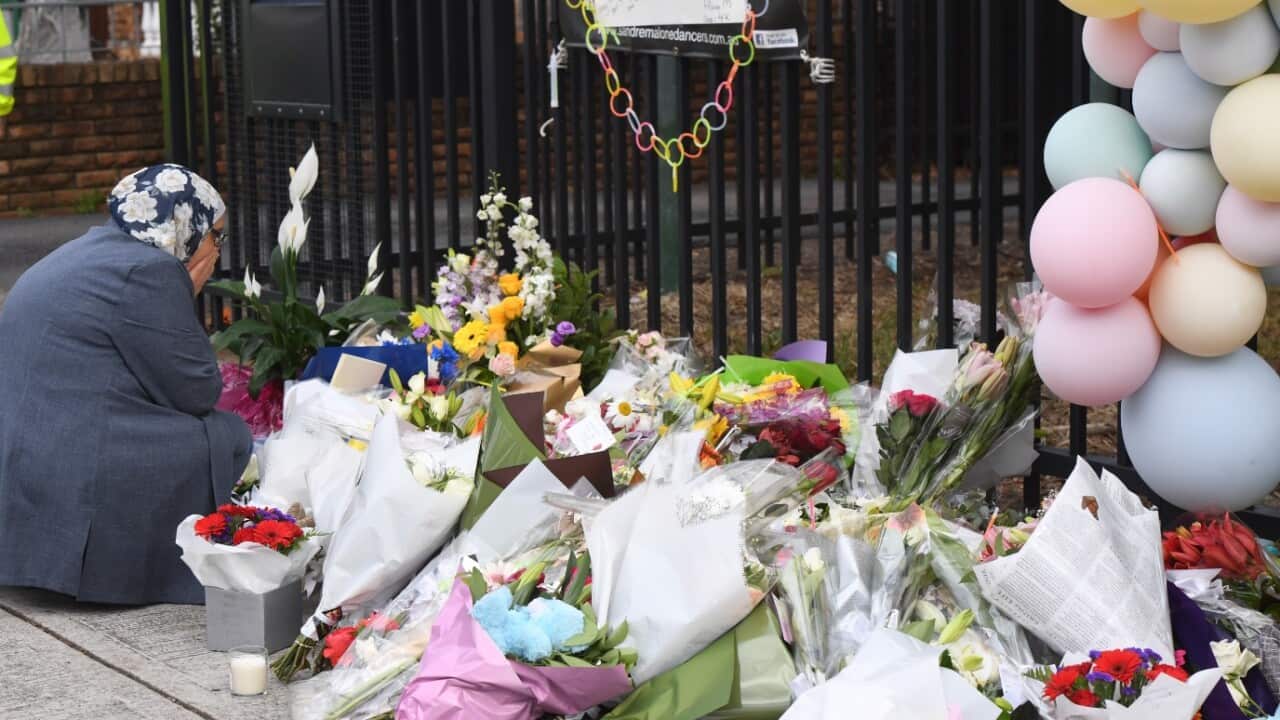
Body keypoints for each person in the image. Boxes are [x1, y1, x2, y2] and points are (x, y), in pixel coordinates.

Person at [0, 164, 252, 605]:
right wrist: (183, 293)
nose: (217, 250)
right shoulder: (148, 272)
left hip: (27, 463)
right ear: (184, 225)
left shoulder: (86, 249)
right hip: (73, 472)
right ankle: (135, 568)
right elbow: (196, 391)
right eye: (216, 235)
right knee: (228, 435)